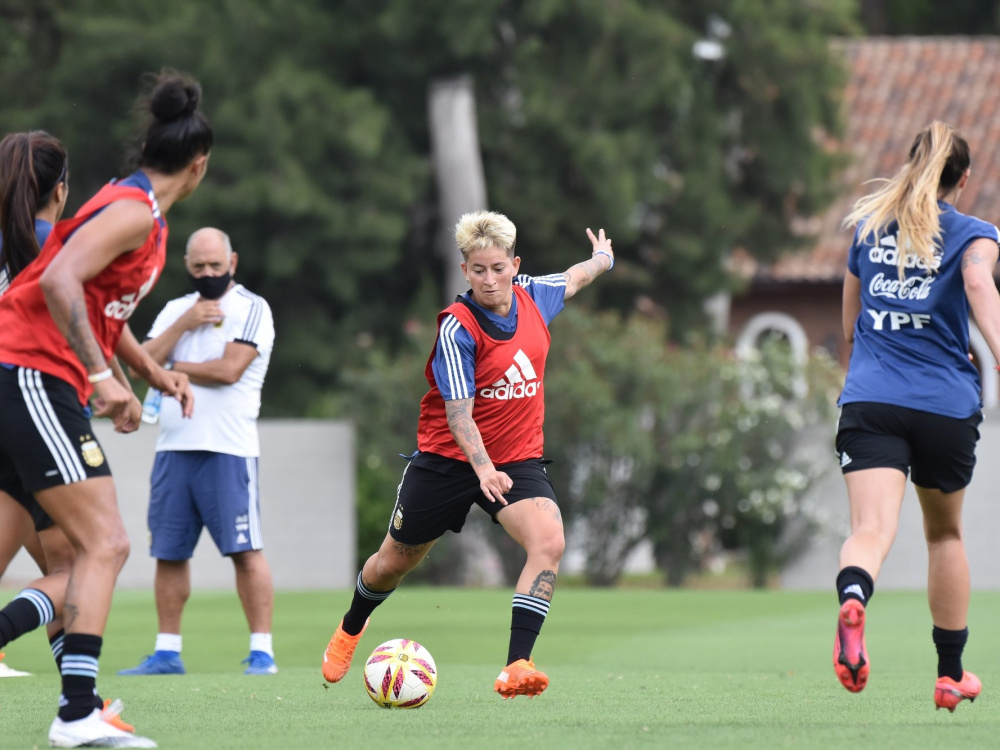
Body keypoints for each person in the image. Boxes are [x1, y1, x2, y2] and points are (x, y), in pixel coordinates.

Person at [0, 69, 211, 748]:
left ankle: (80, 705)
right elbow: (60, 282)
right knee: (106, 543)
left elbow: (93, 302)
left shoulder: (129, 209)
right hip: (30, 374)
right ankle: (76, 714)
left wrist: (149, 372)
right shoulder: (133, 212)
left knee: (65, 551)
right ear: (199, 165)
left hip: (20, 373)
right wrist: (102, 377)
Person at [321, 210, 614, 698]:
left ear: (514, 265)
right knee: (392, 563)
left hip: (517, 459)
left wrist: (601, 259)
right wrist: (482, 468)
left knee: (550, 541)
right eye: (478, 270)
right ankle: (352, 626)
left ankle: (518, 664)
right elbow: (459, 415)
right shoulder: (457, 329)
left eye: (498, 268)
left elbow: (576, 278)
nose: (490, 279)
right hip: (448, 461)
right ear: (465, 271)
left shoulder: (535, 295)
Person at [834, 121, 1000, 712]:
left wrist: (870, 350)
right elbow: (979, 283)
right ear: (964, 179)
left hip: (871, 399)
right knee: (945, 533)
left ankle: (854, 597)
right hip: (944, 407)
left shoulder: (867, 227)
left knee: (871, 531)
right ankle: (950, 675)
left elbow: (849, 320)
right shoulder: (975, 234)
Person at [118, 227, 277, 677]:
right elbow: (137, 361)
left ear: (233, 262)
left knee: (245, 550)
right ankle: (167, 652)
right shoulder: (174, 310)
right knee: (168, 552)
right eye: (199, 266)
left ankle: (262, 652)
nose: (208, 273)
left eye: (216, 265)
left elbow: (229, 370)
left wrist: (167, 367)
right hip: (173, 449)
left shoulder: (251, 307)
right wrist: (183, 326)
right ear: (187, 266)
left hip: (228, 449)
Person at [0, 130, 75, 680]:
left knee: (61, 564)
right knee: (92, 556)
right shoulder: (57, 247)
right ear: (60, 190)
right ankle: (79, 706)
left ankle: (79, 698)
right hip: (32, 404)